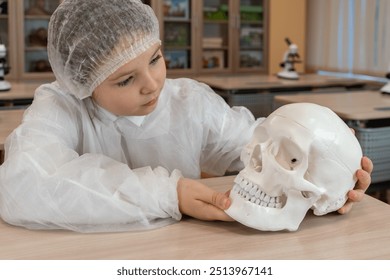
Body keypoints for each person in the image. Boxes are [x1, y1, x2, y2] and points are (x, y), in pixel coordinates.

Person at [0, 0, 373, 233]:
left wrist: (327, 176)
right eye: (126, 79)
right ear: (82, 82)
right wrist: (168, 194)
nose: (153, 85)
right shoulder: (61, 105)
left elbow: (257, 145)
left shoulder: (190, 102)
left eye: (155, 59)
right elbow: (24, 185)